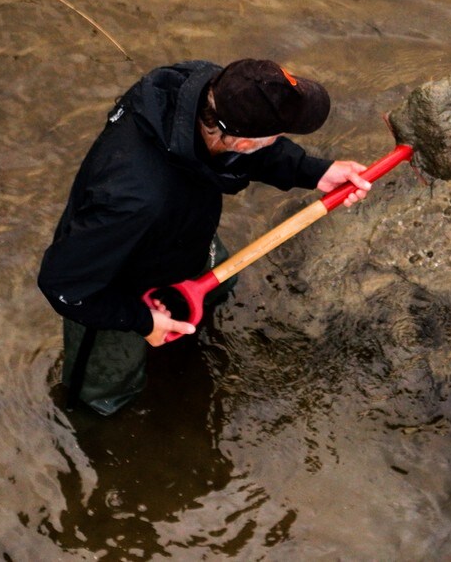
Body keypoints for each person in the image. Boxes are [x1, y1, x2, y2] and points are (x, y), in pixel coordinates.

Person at [38, 59, 371, 415]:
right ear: (242, 143)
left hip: (183, 236)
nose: (278, 142)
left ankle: (187, 327)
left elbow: (254, 152)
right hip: (113, 285)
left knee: (217, 291)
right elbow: (64, 285)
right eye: (276, 136)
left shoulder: (209, 92)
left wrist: (316, 172)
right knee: (102, 398)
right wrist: (143, 320)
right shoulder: (132, 199)